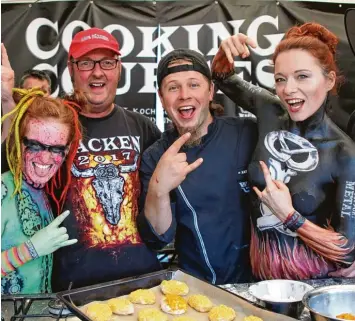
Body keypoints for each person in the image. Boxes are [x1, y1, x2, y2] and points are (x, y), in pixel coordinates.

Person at [212, 23, 355, 280]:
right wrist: (225, 52)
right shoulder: (271, 110)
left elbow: (347, 250)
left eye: (302, 76)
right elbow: (222, 77)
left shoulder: (344, 154)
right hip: (260, 279)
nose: (288, 90)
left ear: (329, 79)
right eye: (280, 79)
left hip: (312, 285)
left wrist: (289, 216)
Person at [50, 28, 162, 291]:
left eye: (107, 62)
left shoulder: (142, 127)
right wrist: (7, 103)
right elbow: (12, 168)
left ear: (118, 69)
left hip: (143, 283)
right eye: (86, 63)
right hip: (74, 288)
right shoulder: (54, 126)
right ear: (71, 69)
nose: (97, 72)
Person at [137, 49, 258, 285]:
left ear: (211, 91)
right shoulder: (156, 156)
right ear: (162, 99)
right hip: (199, 289)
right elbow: (158, 238)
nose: (184, 95)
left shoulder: (247, 133)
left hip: (261, 286)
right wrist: (158, 190)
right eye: (173, 87)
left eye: (194, 84)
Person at [1, 88, 84, 294]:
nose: (46, 159)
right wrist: (30, 250)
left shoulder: (45, 191)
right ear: (20, 142)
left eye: (56, 149)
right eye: (35, 146)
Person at [1, 44, 52, 143]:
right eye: (31, 90)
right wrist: (6, 100)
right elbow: (5, 147)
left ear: (49, 94)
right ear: (20, 92)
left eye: (43, 91)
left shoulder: (60, 119)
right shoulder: (10, 117)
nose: (38, 95)